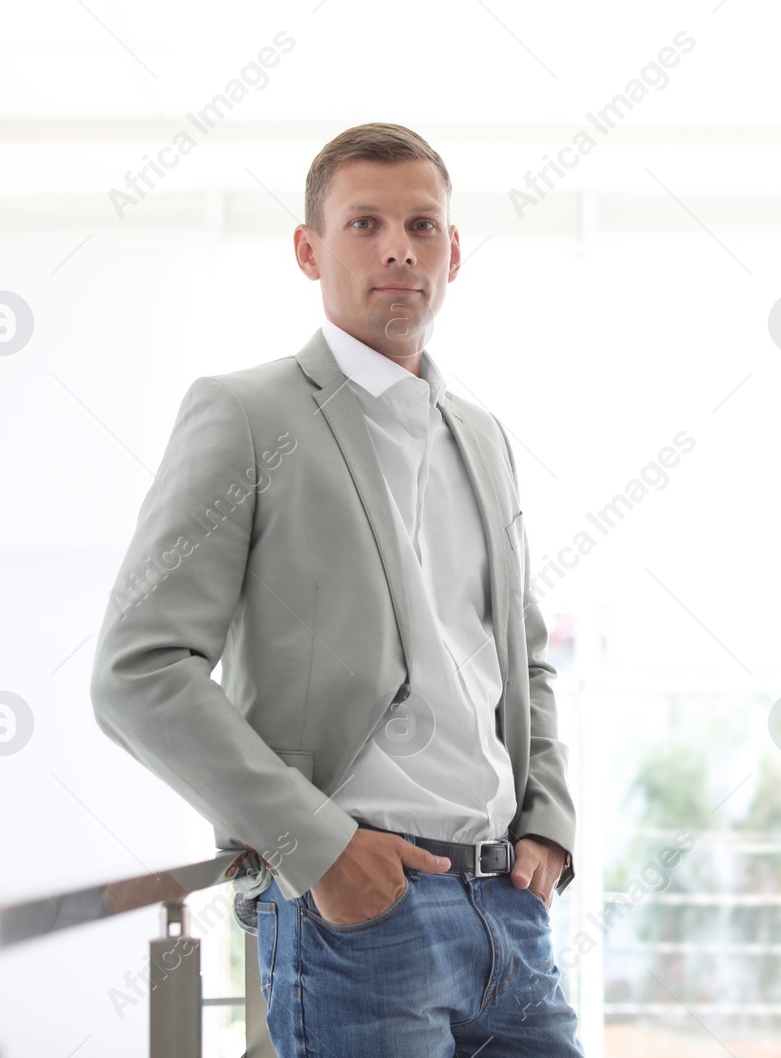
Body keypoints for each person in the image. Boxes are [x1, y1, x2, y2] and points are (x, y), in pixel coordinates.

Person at [89, 122, 583, 1056]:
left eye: (423, 225)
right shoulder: (244, 413)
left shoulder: (483, 437)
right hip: (358, 913)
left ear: (454, 252)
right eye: (364, 222)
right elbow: (137, 670)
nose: (399, 245)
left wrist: (548, 823)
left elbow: (522, 658)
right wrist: (317, 847)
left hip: (509, 913)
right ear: (308, 251)